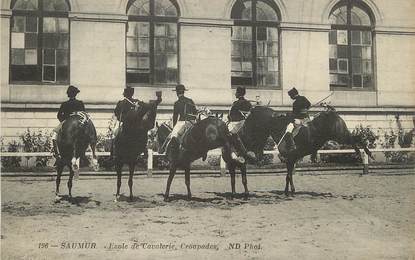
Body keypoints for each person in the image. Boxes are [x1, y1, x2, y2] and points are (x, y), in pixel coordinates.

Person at [158, 84, 197, 153]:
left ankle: (171, 151)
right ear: (184, 92)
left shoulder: (177, 103)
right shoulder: (190, 101)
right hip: (192, 122)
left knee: (173, 137)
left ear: (177, 93)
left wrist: (174, 127)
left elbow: (175, 116)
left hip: (181, 122)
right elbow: (195, 112)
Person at [52, 85, 85, 159]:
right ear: (76, 94)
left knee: (54, 136)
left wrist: (64, 121)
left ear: (68, 95)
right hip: (78, 123)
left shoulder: (64, 104)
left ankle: (57, 155)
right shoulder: (80, 103)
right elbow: (83, 114)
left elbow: (59, 115)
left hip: (66, 121)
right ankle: (84, 153)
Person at [228, 87, 255, 163]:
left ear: (238, 93)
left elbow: (230, 115)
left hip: (236, 123)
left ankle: (233, 154)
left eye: (236, 92)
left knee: (228, 136)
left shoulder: (235, 103)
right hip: (246, 124)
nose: (235, 94)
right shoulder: (248, 103)